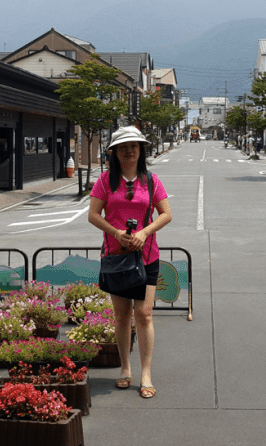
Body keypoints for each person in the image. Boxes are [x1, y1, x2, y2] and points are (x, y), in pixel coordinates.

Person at [87, 126, 173, 400]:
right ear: (114, 152)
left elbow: (166, 214)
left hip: (147, 256)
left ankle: (146, 373)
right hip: (116, 257)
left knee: (144, 314)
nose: (129, 151)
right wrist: (116, 233)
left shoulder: (151, 180)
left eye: (134, 146)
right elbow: (93, 214)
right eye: (123, 147)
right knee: (122, 315)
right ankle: (125, 367)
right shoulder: (105, 181)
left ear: (141, 150)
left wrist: (144, 233)